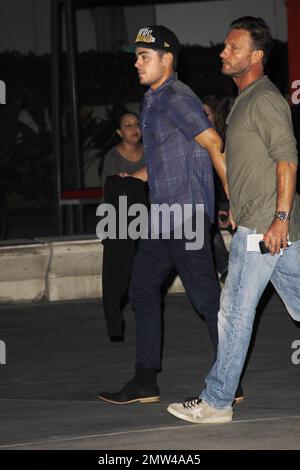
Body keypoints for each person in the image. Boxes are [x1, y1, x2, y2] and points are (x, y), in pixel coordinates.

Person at [99, 25, 243, 405]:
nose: (136, 63)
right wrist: (136, 177)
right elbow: (165, 159)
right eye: (136, 56)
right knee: (142, 289)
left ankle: (230, 381)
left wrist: (233, 200)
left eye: (144, 57)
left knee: (206, 300)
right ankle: (145, 380)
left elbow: (214, 144)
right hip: (162, 216)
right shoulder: (153, 99)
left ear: (167, 60)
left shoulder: (179, 99)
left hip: (188, 217)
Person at [167, 16, 300, 424]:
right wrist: (235, 205)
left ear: (256, 56)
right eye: (225, 46)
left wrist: (278, 217)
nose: (223, 52)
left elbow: (287, 159)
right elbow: (252, 164)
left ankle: (217, 400)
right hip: (264, 223)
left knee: (234, 311)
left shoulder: (265, 99)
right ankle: (218, 397)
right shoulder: (245, 98)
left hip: (265, 227)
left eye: (233, 47)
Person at [101, 112, 146, 340]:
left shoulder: (150, 154)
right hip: (118, 226)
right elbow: (108, 193)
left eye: (137, 124)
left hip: (145, 224)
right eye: (127, 125)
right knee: (113, 284)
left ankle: (145, 326)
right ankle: (115, 331)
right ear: (120, 132)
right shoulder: (112, 157)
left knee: (140, 279)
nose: (133, 128)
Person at [202, 95, 230, 282]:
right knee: (207, 227)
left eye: (207, 114)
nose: (203, 118)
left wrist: (227, 205)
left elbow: (228, 176)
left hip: (230, 197)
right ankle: (226, 268)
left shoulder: (223, 138)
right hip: (209, 201)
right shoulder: (196, 141)